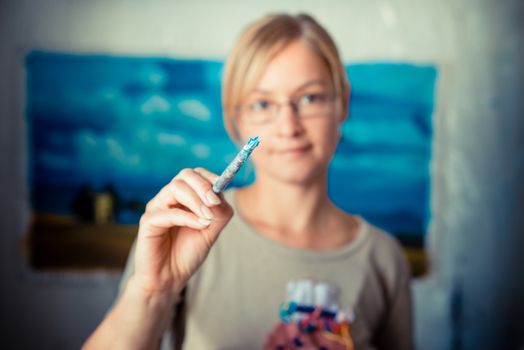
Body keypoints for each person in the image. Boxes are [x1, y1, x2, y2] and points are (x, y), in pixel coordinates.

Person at [83, 13, 413, 350]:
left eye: (310, 98)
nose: (288, 126)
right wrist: (153, 292)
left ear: (342, 102)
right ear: (236, 119)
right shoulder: (188, 228)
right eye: (262, 103)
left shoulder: (383, 259)